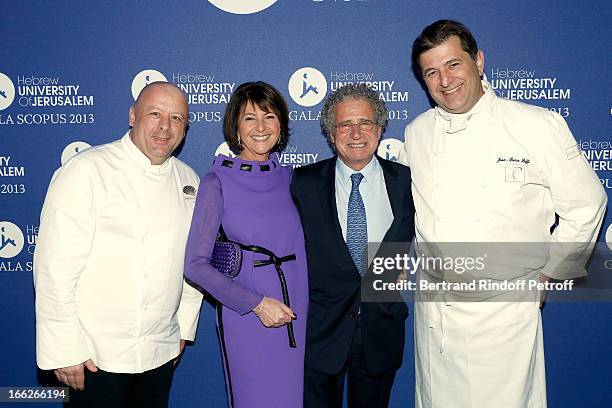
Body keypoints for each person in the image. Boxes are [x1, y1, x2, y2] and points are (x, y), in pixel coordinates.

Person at [399, 20, 607, 408]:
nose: (445, 81)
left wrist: (552, 271)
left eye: (454, 65)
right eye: (432, 72)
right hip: (436, 316)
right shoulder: (418, 132)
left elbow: (587, 203)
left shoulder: (535, 124)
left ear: (478, 61)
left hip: (504, 314)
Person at [34, 82, 203, 407]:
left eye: (177, 118)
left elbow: (192, 264)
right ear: (132, 116)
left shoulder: (189, 181)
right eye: (155, 114)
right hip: (94, 357)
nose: (165, 127)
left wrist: (182, 327)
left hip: (159, 353)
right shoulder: (87, 170)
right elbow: (55, 267)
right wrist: (65, 348)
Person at [184, 81, 308, 408]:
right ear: (235, 127)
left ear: (281, 124)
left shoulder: (294, 179)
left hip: (301, 312)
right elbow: (195, 265)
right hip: (248, 317)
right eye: (249, 118)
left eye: (269, 116)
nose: (261, 127)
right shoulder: (217, 181)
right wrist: (256, 304)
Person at [291, 83, 415, 408]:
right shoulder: (301, 184)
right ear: (331, 132)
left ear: (380, 128)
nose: (356, 132)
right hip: (320, 333)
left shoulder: (407, 183)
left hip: (381, 329)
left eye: (366, 123)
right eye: (345, 124)